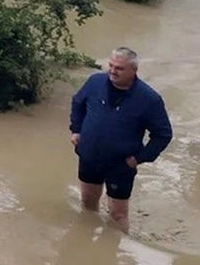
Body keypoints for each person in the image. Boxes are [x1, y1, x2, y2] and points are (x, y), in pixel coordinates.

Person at [69, 47, 173, 233]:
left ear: (134, 70)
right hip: (90, 156)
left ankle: (114, 252)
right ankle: (85, 248)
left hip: (121, 165)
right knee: (87, 205)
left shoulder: (149, 99)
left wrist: (138, 158)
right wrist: (76, 130)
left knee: (118, 215)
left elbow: (163, 135)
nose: (112, 71)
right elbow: (77, 103)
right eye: (110, 65)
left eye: (119, 68)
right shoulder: (95, 82)